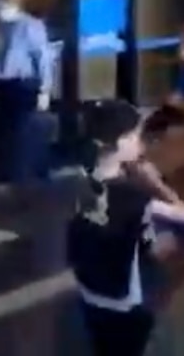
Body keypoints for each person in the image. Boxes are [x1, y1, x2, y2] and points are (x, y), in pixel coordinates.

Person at [67, 100, 184, 356]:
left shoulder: (84, 176)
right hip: (122, 304)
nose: (140, 141)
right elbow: (176, 215)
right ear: (119, 143)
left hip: (89, 293)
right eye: (134, 136)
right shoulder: (134, 196)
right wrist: (157, 186)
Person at [0, 0, 55, 182]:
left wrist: (45, 89)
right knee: (18, 129)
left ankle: (16, 172)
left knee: (15, 129)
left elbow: (41, 58)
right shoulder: (23, 27)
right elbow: (41, 58)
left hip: (13, 83)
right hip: (15, 84)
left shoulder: (20, 25)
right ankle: (22, 172)